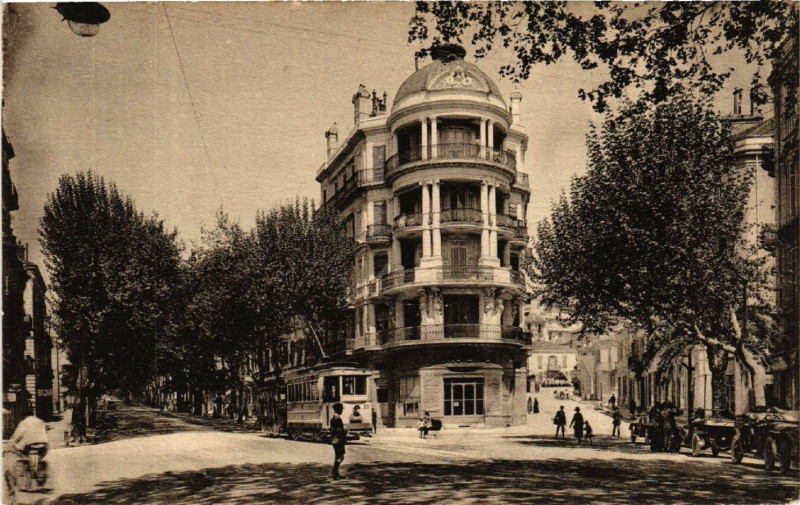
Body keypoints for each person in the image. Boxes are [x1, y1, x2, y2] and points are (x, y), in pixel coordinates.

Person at [330, 402, 347, 480]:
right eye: (341, 409)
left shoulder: (333, 418)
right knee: (340, 457)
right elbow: (339, 430)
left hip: (334, 440)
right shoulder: (338, 419)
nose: (342, 411)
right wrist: (345, 431)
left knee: (338, 456)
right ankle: (334, 472)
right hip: (338, 440)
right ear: (338, 409)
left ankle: (335, 473)